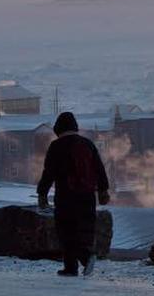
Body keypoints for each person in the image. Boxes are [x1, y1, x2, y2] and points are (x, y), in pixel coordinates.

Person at [37, 112, 111, 277]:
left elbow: (48, 172)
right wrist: (103, 190)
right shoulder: (88, 144)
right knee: (84, 230)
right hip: (87, 196)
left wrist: (42, 193)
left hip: (66, 196)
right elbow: (99, 169)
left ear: (58, 129)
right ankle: (83, 259)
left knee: (66, 231)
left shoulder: (56, 146)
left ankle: (75, 264)